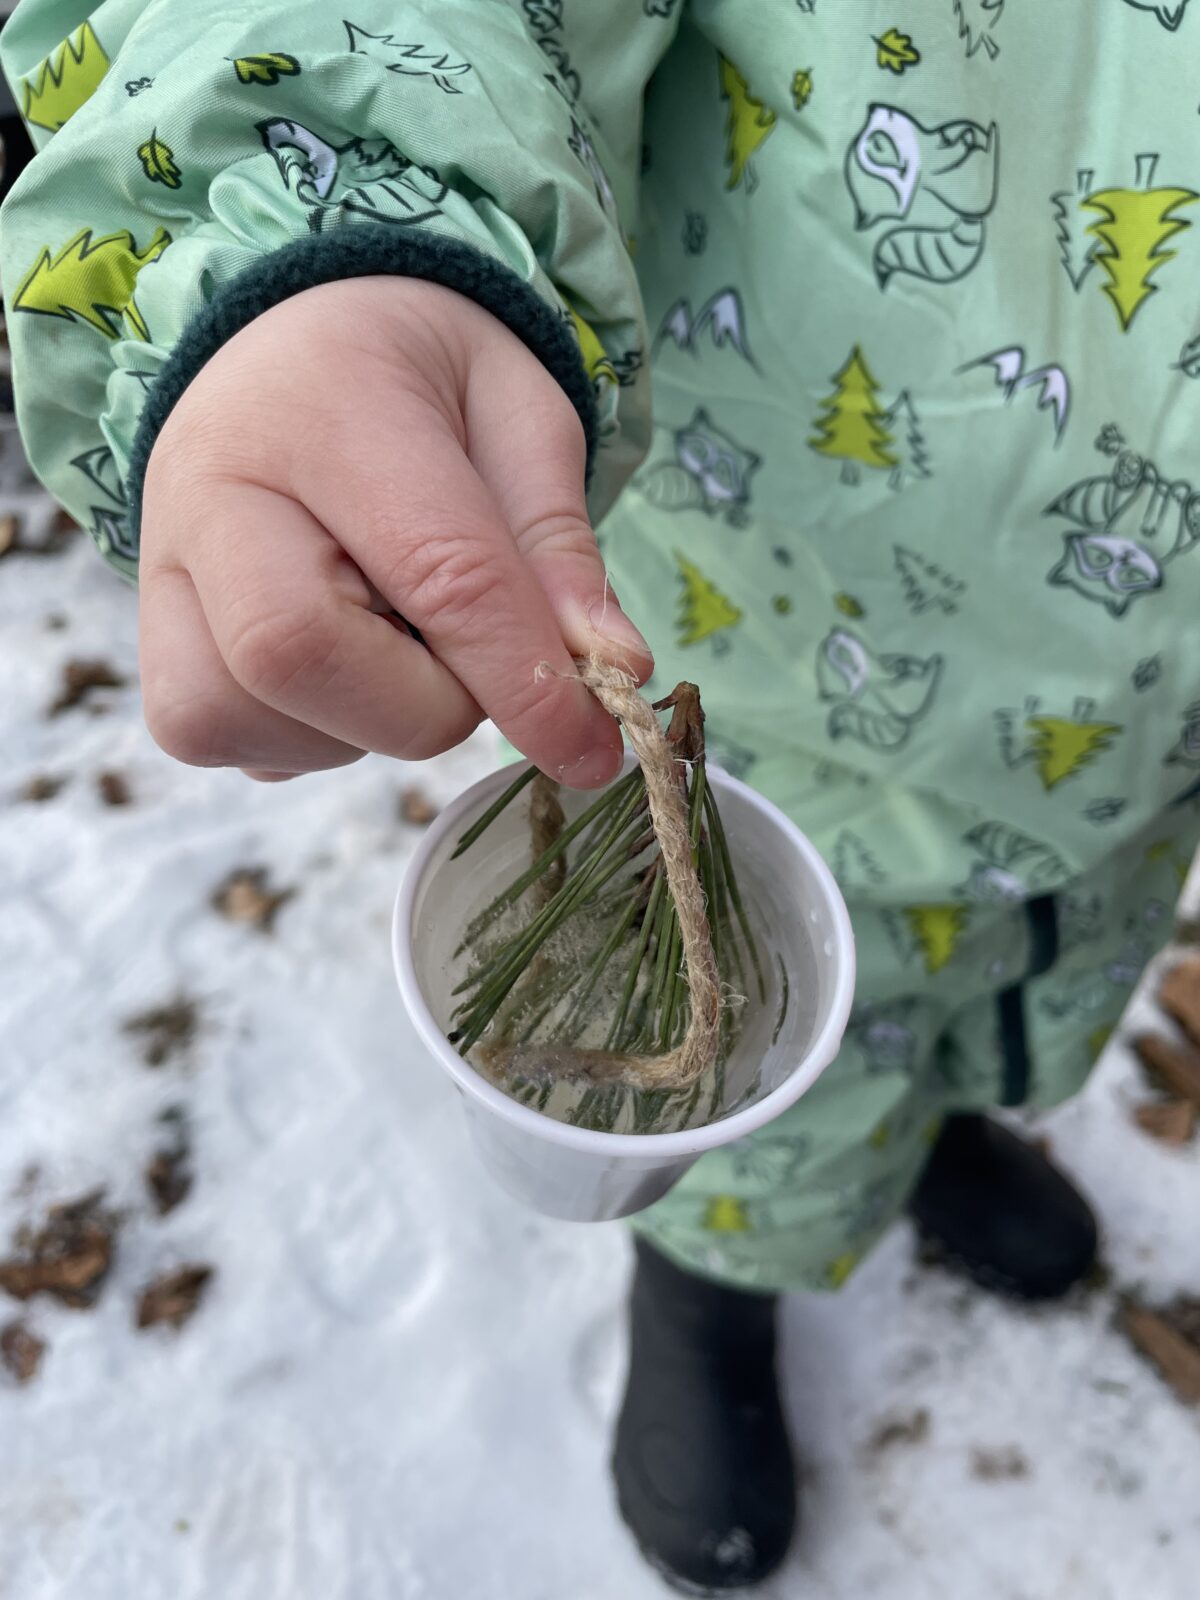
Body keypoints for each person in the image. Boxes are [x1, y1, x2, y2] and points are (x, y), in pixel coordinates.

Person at [2, 2, 1197, 1589]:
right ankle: (712, 1279)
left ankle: (922, 1135)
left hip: (1134, 748)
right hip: (770, 610)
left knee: (963, 978)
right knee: (750, 1040)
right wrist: (334, 220)